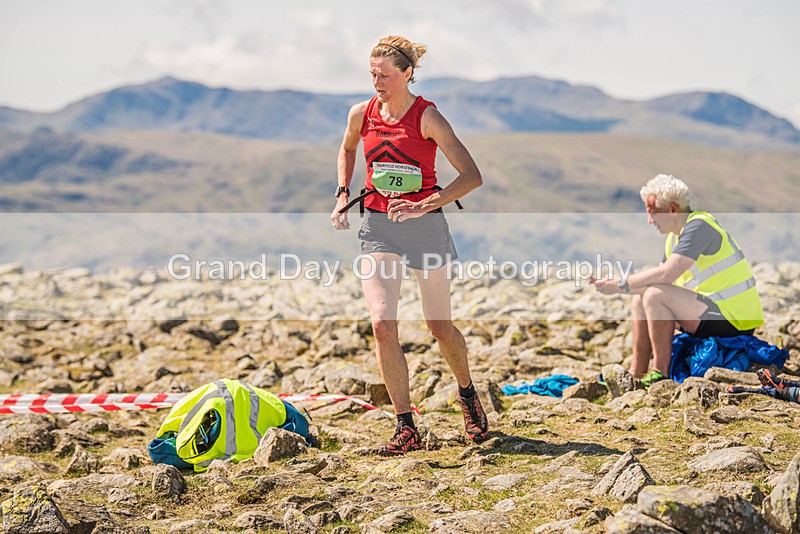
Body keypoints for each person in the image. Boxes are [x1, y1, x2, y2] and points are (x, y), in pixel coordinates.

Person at [330, 35, 488, 454]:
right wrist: (343, 193)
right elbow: (347, 150)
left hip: (426, 228)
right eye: (372, 75)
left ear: (407, 74)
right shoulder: (361, 114)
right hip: (378, 226)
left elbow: (472, 176)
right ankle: (405, 426)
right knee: (382, 323)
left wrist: (427, 204)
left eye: (384, 75)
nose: (376, 82)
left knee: (439, 326)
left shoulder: (427, 117)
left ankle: (467, 392)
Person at [591, 174, 764, 387]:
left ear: (673, 210)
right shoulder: (675, 237)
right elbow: (659, 278)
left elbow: (666, 275)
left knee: (654, 295)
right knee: (641, 297)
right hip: (712, 312)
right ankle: (637, 372)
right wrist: (618, 285)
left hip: (735, 319)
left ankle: (660, 374)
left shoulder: (699, 226)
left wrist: (620, 284)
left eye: (653, 213)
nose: (649, 221)